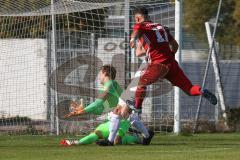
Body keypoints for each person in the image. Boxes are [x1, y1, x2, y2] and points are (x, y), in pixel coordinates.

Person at [97, 6, 217, 146]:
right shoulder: (161, 27)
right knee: (190, 89)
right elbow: (175, 46)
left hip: (156, 65)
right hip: (171, 64)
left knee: (139, 85)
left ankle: (137, 109)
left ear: (137, 18)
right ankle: (202, 91)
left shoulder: (141, 25)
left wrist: (132, 40)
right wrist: (169, 56)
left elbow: (136, 35)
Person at [60, 112, 141, 146]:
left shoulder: (124, 123)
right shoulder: (118, 117)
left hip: (109, 133)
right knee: (95, 135)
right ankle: (75, 142)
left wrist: (106, 141)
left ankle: (139, 139)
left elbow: (116, 141)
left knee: (126, 139)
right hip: (103, 130)